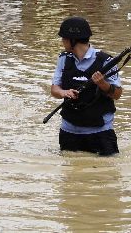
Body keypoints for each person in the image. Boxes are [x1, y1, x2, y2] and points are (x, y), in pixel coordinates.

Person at [50, 17, 123, 156]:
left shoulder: (106, 61)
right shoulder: (63, 59)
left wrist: (103, 84)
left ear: (72, 40)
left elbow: (117, 94)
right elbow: (54, 89)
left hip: (100, 132)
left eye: (64, 38)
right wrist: (64, 92)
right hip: (69, 131)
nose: (62, 41)